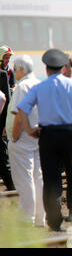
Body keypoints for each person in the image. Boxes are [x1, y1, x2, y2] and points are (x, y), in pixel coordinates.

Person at [17, 48, 72, 232]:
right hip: (71, 134)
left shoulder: (39, 87)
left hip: (48, 136)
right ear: (64, 68)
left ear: (47, 70)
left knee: (51, 179)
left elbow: (22, 109)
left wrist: (31, 130)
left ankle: (54, 221)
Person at [5, 55, 45, 226]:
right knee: (38, 177)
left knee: (24, 178)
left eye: (15, 68)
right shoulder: (39, 84)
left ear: (21, 69)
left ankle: (26, 217)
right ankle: (39, 217)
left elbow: (20, 116)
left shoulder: (22, 87)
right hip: (36, 137)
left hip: (22, 138)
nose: (14, 71)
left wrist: (13, 137)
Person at [0, 52, 15, 191]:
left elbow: (3, 98)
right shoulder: (3, 73)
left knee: (3, 158)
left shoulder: (5, 73)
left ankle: (12, 186)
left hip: (2, 122)